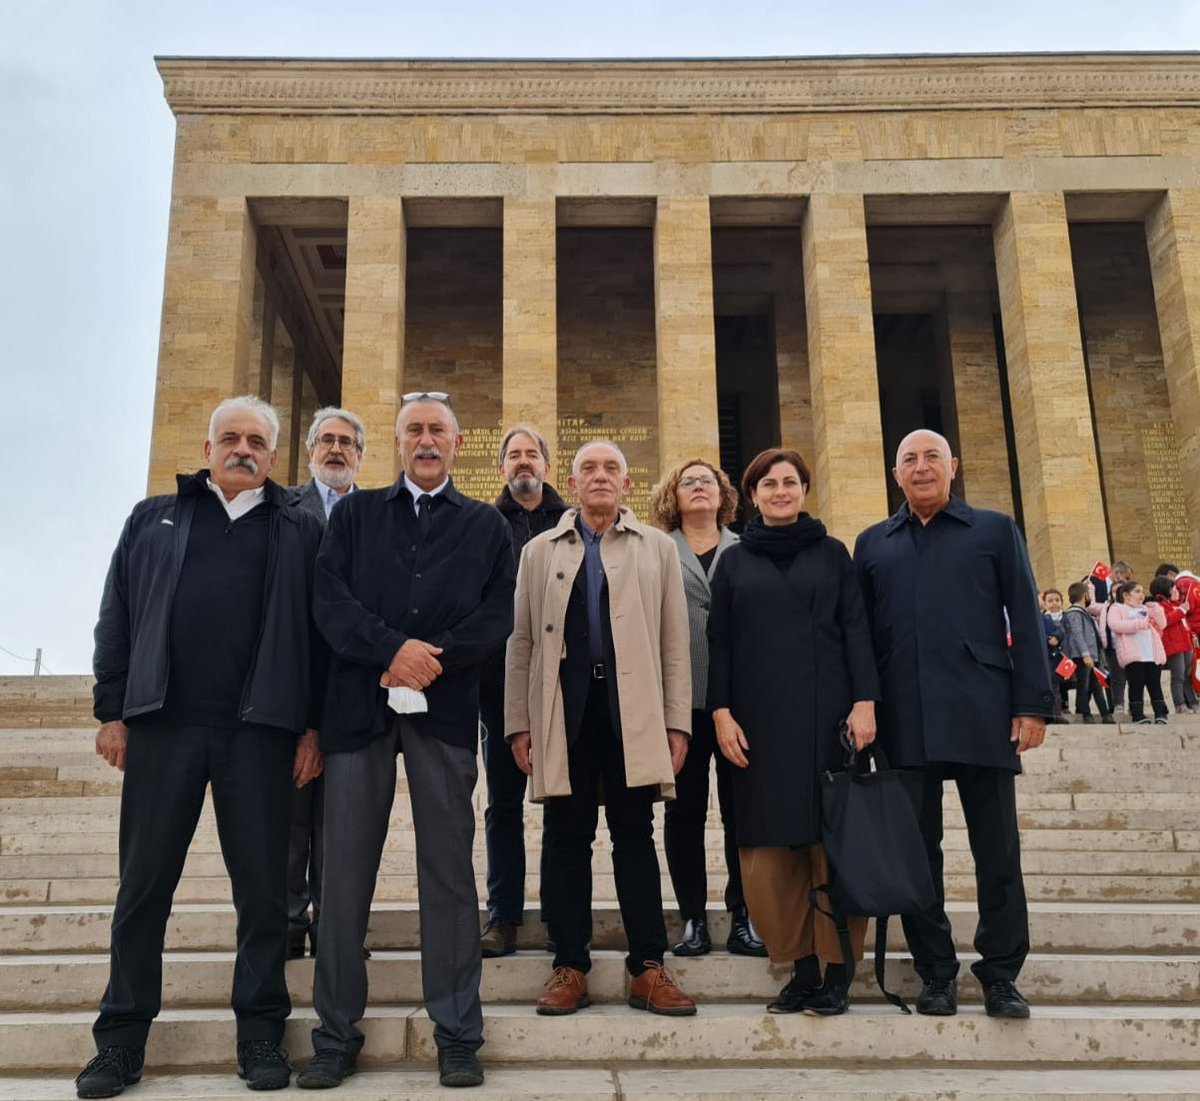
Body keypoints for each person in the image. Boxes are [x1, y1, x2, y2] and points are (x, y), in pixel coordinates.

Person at [78, 396, 325, 1099]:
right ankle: (120, 1041)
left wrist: (313, 726)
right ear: (208, 446)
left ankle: (260, 1034)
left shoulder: (300, 529)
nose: (242, 449)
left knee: (264, 895)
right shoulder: (154, 517)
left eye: (256, 440)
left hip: (260, 733)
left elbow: (317, 636)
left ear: (274, 457)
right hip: (163, 727)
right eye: (230, 438)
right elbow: (116, 613)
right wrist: (112, 709)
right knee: (144, 889)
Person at [302, 393, 515, 1090]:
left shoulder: (485, 525)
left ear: (458, 446)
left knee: (450, 875)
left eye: (438, 431)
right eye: (414, 430)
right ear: (397, 445)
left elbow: (497, 613)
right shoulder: (357, 516)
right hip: (357, 713)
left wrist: (435, 658)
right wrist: (391, 649)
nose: (426, 440)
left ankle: (456, 1029)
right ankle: (335, 1033)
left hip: (445, 714)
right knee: (342, 878)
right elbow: (328, 598)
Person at [854, 429, 1055, 1021]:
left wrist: (1032, 703)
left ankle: (1000, 975)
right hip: (903, 714)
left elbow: (1023, 608)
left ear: (953, 466)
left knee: (998, 853)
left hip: (982, 710)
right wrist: (863, 703)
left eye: (932, 458)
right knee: (919, 856)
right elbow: (859, 635)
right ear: (896, 475)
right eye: (909, 460)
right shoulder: (872, 543)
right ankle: (935, 973)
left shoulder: (993, 530)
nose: (921, 468)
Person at [505, 440, 697, 1017]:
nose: (600, 476)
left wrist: (676, 722)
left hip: (630, 710)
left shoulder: (657, 548)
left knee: (634, 836)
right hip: (566, 709)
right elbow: (521, 641)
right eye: (588, 468)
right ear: (572, 480)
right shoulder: (539, 551)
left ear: (626, 483)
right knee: (566, 837)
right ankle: (569, 964)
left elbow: (674, 641)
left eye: (611, 468)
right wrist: (520, 723)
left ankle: (648, 967)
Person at [707, 448, 879, 1016]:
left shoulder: (832, 554)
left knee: (830, 842)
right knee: (771, 849)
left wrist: (864, 703)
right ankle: (800, 966)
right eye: (769, 484)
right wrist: (721, 712)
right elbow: (721, 643)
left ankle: (837, 970)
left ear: (804, 490)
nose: (780, 491)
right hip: (757, 721)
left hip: (827, 715)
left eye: (790, 482)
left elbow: (856, 627)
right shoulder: (733, 562)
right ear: (752, 494)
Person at [648, 459, 765, 959]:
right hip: (679, 701)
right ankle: (693, 916)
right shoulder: (655, 550)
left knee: (743, 811)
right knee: (684, 813)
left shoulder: (750, 547)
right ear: (673, 496)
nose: (699, 488)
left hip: (741, 701)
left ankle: (744, 915)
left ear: (724, 496)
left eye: (708, 482)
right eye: (687, 482)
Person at [479, 425, 568, 958]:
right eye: (513, 455)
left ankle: (560, 911)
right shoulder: (483, 524)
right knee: (503, 804)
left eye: (531, 453)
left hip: (564, 682)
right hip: (499, 684)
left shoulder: (571, 522)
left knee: (561, 802)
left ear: (547, 466)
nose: (523, 462)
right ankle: (503, 915)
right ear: (501, 468)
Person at [287, 405, 367, 961]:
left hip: (352, 686)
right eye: (327, 441)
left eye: (347, 443)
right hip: (292, 680)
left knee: (342, 824)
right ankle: (289, 923)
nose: (336, 450)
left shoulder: (375, 512)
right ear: (311, 448)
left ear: (360, 455)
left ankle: (338, 931)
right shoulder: (281, 506)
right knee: (292, 820)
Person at [1108, 581, 1168, 724]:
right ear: (1126, 595)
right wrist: (1140, 624)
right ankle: (1137, 714)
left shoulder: (1145, 609)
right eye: (1137, 591)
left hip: (1152, 653)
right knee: (1136, 684)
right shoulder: (1118, 608)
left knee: (1155, 684)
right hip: (1133, 655)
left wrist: (1157, 609)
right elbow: (1115, 625)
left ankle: (1160, 712)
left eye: (1142, 591)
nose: (1141, 594)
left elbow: (1162, 624)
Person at [1061, 581, 1113, 723]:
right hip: (1083, 656)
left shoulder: (1085, 613)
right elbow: (1077, 634)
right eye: (1089, 594)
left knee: (1096, 686)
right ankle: (1085, 713)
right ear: (1084, 596)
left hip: (1093, 655)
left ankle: (1105, 714)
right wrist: (1085, 654)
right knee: (1083, 685)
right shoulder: (1074, 613)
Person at [1148, 575, 1193, 715]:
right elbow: (1166, 622)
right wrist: (1181, 611)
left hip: (1184, 644)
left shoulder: (1174, 604)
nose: (1176, 590)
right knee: (1178, 676)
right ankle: (1179, 704)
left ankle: (1191, 701)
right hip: (1173, 646)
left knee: (1187, 675)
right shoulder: (1160, 606)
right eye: (1173, 588)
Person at [1041, 589, 1070, 719]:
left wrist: (1058, 637)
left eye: (1057, 600)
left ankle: (1065, 707)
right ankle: (1055, 711)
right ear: (1045, 604)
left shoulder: (1066, 617)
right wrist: (1050, 639)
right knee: (1054, 683)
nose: (1054, 603)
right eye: (1050, 601)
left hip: (1066, 655)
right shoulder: (1042, 618)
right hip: (1050, 656)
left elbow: (1065, 633)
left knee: (1064, 683)